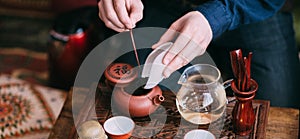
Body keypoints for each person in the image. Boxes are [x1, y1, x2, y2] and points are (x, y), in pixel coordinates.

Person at [97, 0, 300, 109]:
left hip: (252, 8)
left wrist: (215, 17)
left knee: (277, 108)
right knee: (129, 97)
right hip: (159, 7)